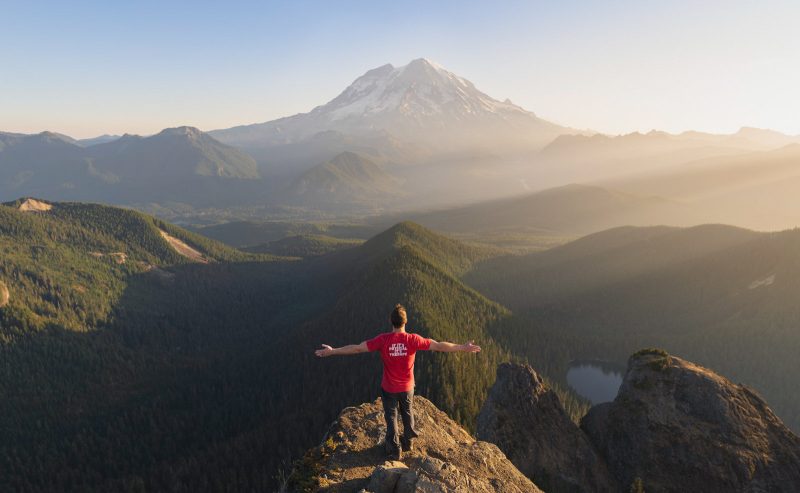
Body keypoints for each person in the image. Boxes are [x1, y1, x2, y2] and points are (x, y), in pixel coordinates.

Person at [315, 304, 481, 460]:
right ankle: (408, 442)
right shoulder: (413, 340)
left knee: (391, 417)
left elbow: (357, 348)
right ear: (405, 321)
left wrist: (333, 351)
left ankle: (395, 450)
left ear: (391, 321)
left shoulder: (383, 340)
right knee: (407, 412)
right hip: (407, 387)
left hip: (389, 388)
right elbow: (438, 346)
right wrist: (462, 347)